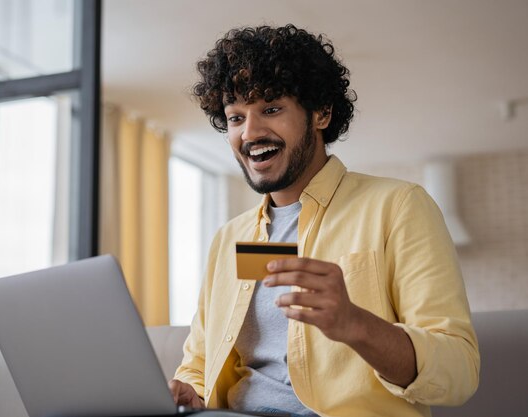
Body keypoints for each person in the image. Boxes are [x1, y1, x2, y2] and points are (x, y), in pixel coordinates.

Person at [168, 24, 479, 417]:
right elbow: (198, 363)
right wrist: (191, 393)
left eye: (271, 109)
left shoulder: (399, 206)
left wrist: (357, 325)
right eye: (235, 118)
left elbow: (459, 371)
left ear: (321, 113)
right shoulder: (229, 238)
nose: (250, 132)